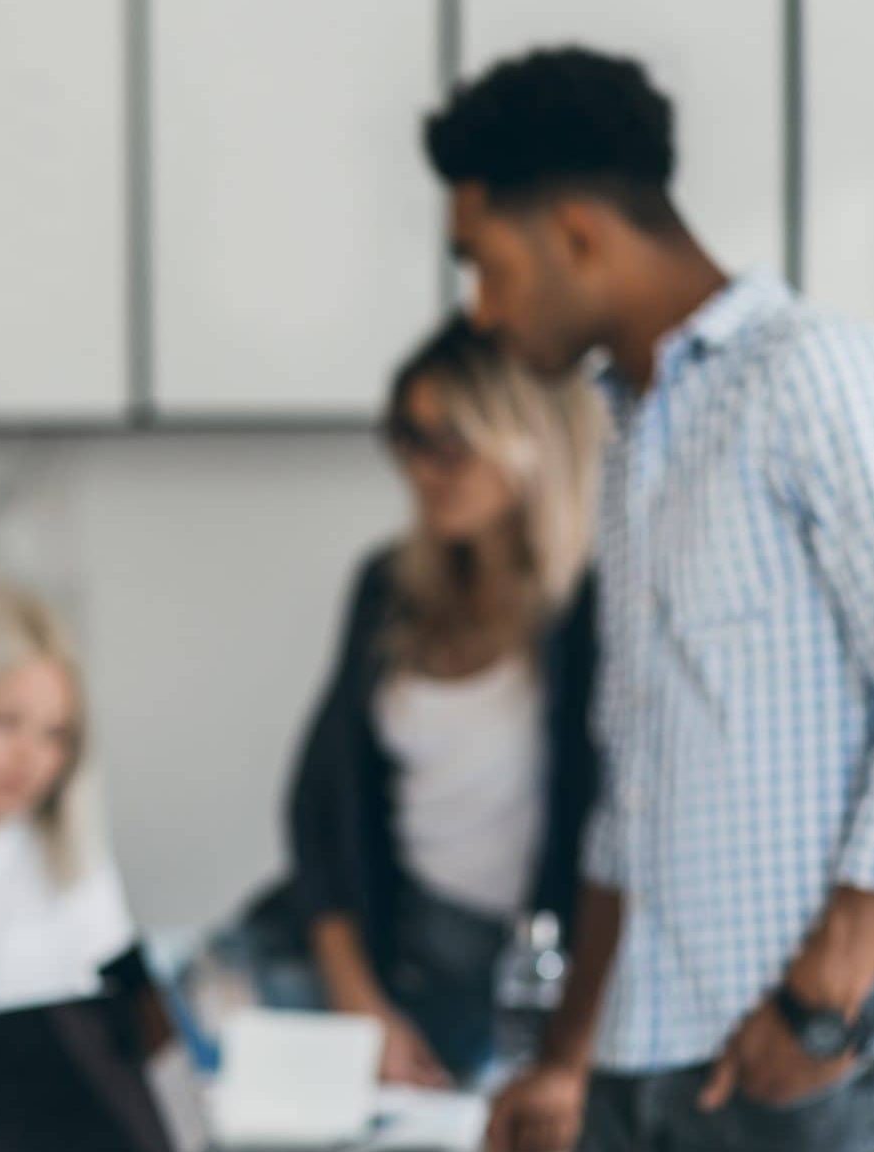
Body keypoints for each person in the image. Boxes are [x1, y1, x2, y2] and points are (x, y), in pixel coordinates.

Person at [424, 48, 874, 1152]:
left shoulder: (811, 377)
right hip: (643, 1065)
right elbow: (628, 792)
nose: (482, 309)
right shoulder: (635, 434)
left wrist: (819, 1001)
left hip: (807, 1058)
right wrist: (564, 1057)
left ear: (576, 235)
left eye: (484, 262)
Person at [200, 316, 607, 1089]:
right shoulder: (388, 589)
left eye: (451, 440)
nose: (425, 467)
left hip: (520, 978)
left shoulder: (591, 615)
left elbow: (613, 838)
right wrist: (362, 1004)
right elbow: (321, 811)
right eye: (407, 438)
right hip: (381, 948)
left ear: (531, 438)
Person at [0, 583, 137, 1015]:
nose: (29, 758)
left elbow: (120, 1020)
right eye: (4, 722)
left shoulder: (75, 860)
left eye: (54, 734)